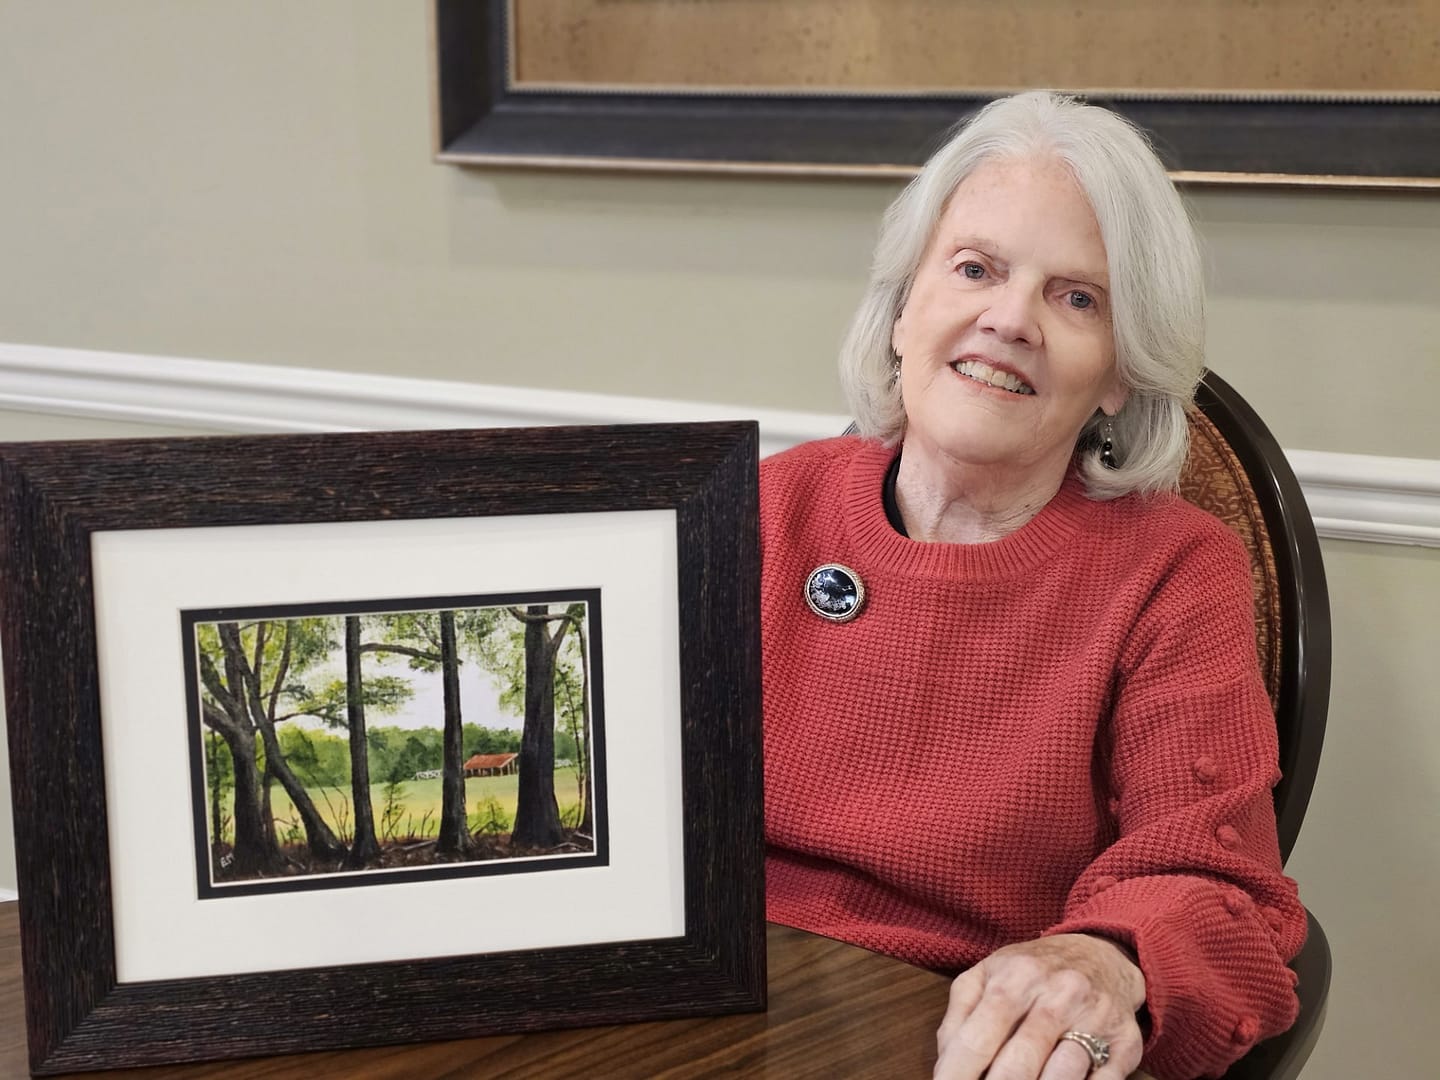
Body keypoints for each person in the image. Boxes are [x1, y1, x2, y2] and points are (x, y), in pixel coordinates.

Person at [760, 91, 1306, 1080]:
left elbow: (1214, 881)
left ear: (1117, 376)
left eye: (1076, 297)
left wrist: (1104, 959)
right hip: (712, 1014)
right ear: (902, 309)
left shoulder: (1174, 571)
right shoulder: (758, 511)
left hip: (968, 1046)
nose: (1007, 319)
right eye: (974, 269)